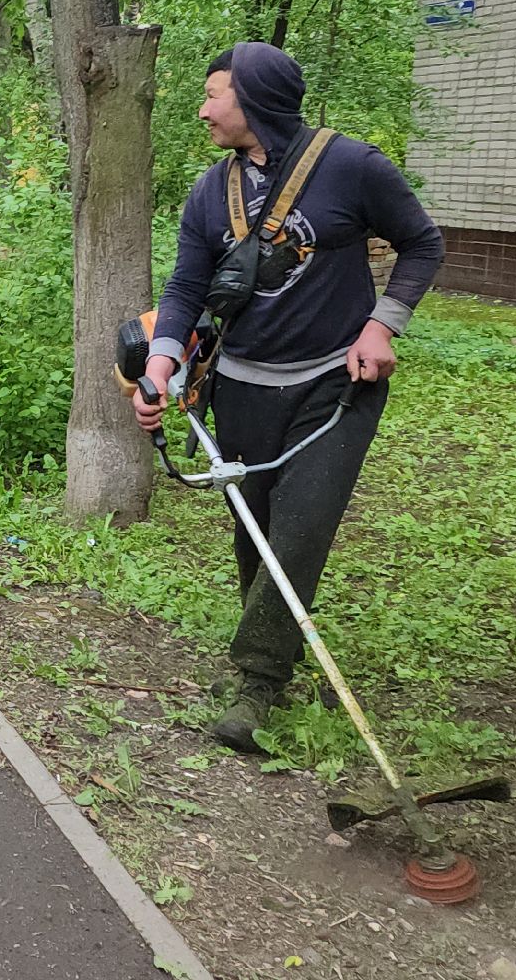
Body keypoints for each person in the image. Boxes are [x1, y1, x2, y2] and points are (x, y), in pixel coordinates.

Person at [132, 42, 443, 752]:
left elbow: (422, 244)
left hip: (335, 384)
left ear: (256, 97)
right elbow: (185, 288)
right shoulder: (213, 191)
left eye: (214, 93)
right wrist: (161, 363)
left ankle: (259, 676)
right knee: (255, 529)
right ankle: (267, 653)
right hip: (240, 386)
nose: (204, 108)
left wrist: (380, 326)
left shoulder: (352, 167)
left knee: (300, 529)